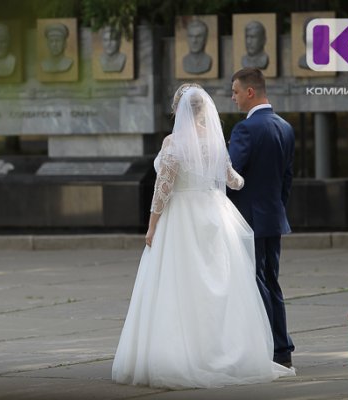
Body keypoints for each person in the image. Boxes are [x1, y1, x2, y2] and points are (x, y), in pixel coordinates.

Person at [112, 83, 295, 389]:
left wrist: (152, 225)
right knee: (218, 285)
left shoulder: (174, 143)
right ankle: (222, 351)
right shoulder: (215, 142)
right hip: (214, 215)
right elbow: (234, 181)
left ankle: (181, 354)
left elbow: (163, 188)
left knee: (178, 284)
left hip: (181, 218)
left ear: (178, 110)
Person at [228, 67, 296, 368]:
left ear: (250, 92)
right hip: (272, 217)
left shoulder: (245, 129)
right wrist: (276, 209)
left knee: (255, 283)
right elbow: (287, 179)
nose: (233, 98)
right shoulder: (285, 126)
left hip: (248, 220)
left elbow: (231, 174)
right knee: (271, 282)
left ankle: (267, 348)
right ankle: (281, 349)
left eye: (235, 92)